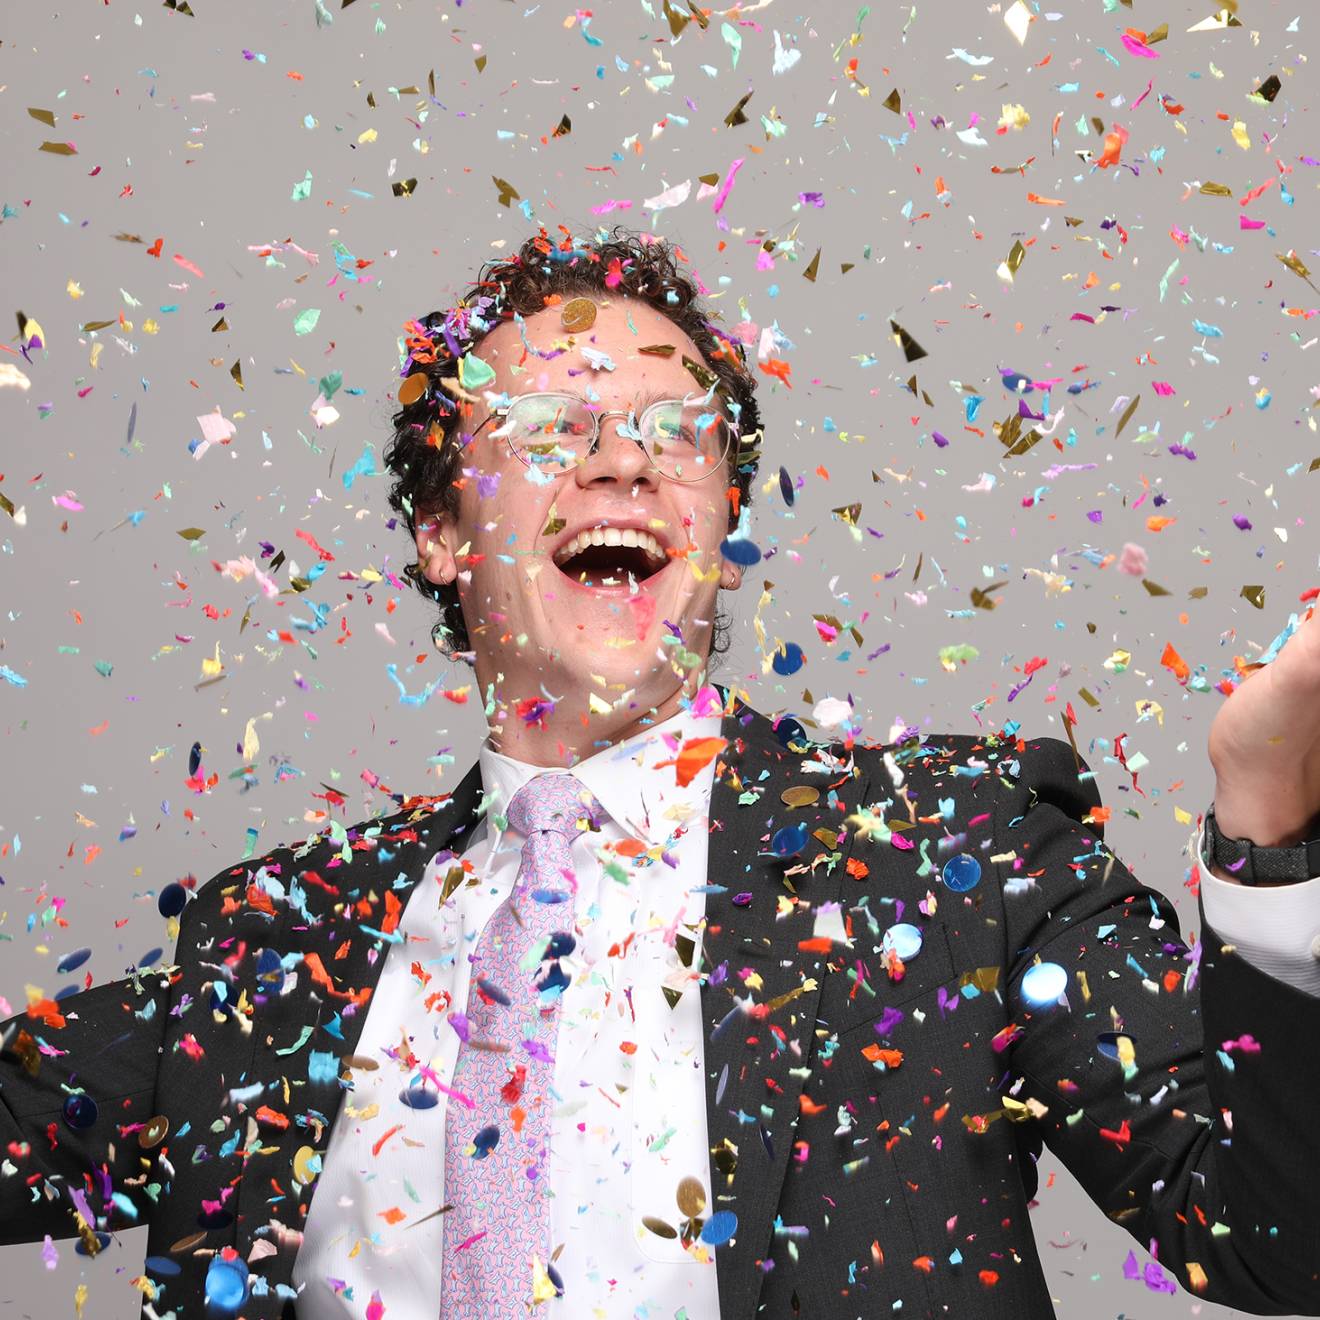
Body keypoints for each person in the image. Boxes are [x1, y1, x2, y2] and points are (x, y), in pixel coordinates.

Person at [4, 226, 1320, 1320]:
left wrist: (1271, 818)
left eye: (673, 434)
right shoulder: (272, 944)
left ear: (720, 519)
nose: (621, 460)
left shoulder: (956, 854)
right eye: (545, 429)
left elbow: (1273, 1239)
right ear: (442, 532)